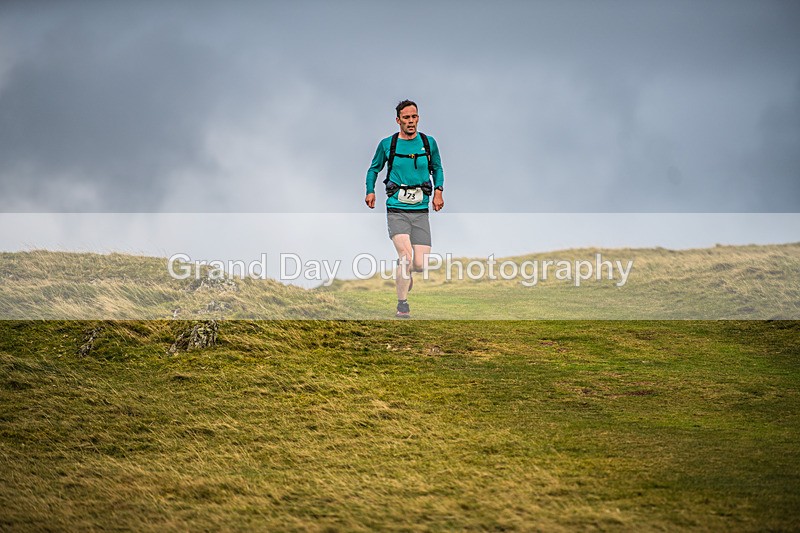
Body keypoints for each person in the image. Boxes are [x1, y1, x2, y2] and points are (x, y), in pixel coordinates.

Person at [365, 99, 445, 318]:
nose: (411, 121)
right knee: (406, 258)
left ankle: (406, 276)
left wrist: (439, 191)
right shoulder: (387, 144)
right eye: (407, 118)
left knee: (419, 265)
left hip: (420, 210)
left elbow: (437, 168)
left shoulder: (428, 143)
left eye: (414, 117)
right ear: (398, 120)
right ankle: (402, 305)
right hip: (397, 209)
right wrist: (370, 190)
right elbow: (373, 169)